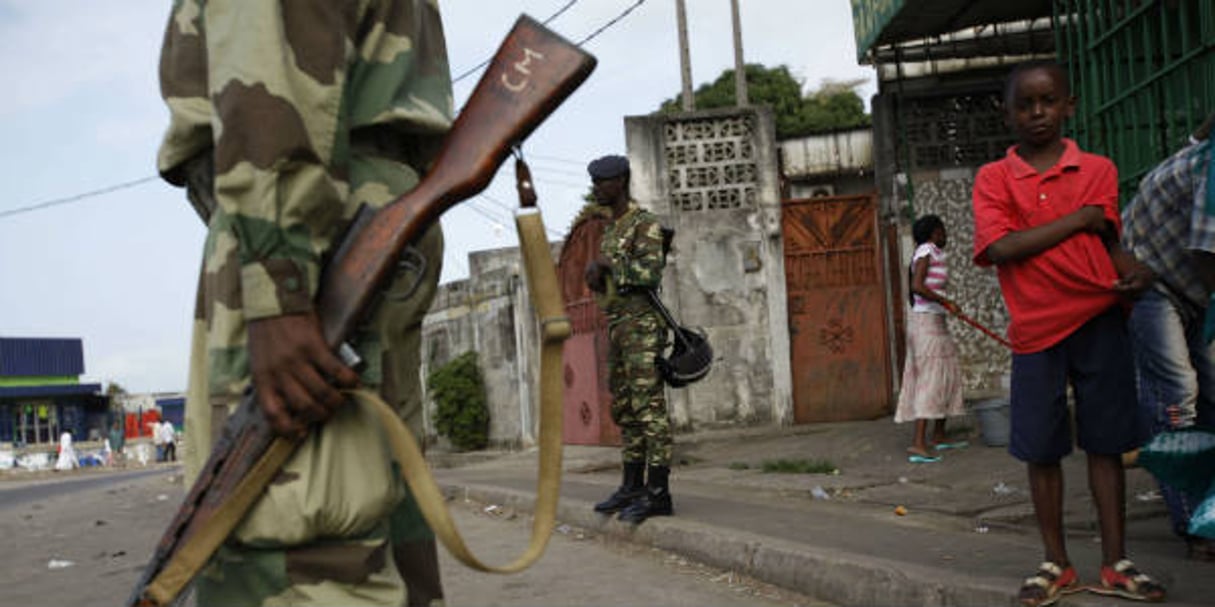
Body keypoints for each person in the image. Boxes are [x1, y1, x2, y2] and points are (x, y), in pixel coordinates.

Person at [157, 2, 452, 605]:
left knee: (298, 547)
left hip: (310, 221)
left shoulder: (289, 247)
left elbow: (266, 66)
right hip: (357, 214)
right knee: (378, 512)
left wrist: (279, 285)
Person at [971, 60, 1165, 605]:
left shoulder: (1097, 170)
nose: (1037, 113)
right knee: (1041, 447)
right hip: (1035, 329)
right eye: (1025, 105)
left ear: (1068, 105)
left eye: (1047, 101)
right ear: (1007, 113)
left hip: (1100, 317)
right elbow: (1001, 247)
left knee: (1106, 445)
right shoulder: (995, 178)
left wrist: (1133, 271)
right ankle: (1056, 564)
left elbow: (1107, 241)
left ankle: (1116, 562)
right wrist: (1078, 220)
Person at [1122, 111, 1215, 561]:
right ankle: (1193, 524)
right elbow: (1205, 256)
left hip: (1193, 288)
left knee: (1211, 393)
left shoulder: (1200, 149)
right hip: (1150, 277)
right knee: (1177, 395)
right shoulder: (1210, 173)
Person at [584, 154, 673, 524]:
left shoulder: (644, 224)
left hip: (642, 327)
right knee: (626, 409)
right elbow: (616, 279)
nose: (596, 188)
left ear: (620, 181)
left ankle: (659, 493)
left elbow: (650, 273)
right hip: (619, 325)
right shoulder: (612, 228)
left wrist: (611, 266)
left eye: (602, 181)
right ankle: (632, 486)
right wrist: (596, 277)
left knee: (649, 409)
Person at [895, 215, 966, 463]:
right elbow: (917, 285)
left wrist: (945, 306)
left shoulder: (932, 251)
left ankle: (938, 436)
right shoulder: (926, 250)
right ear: (935, 232)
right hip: (925, 323)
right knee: (929, 378)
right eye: (943, 230)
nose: (945, 235)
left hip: (935, 320)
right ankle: (918, 443)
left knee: (946, 372)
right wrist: (947, 302)